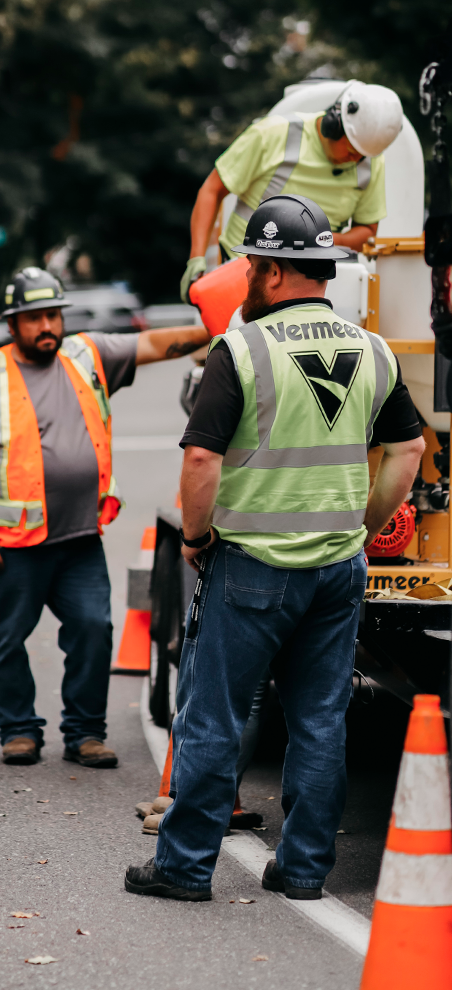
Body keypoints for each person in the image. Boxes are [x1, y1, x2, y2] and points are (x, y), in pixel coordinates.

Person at [125, 194, 424, 901]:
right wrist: (359, 520)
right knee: (320, 720)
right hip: (337, 569)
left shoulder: (244, 348)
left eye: (255, 265)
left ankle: (184, 868)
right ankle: (302, 871)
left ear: (274, 272)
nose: (251, 276)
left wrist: (196, 539)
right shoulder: (373, 349)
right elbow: (407, 451)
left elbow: (200, 463)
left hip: (253, 565)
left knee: (215, 716)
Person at [0, 267, 209, 768]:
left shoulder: (86, 355)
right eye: (35, 318)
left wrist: (221, 325)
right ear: (14, 324)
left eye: (54, 315)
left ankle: (85, 732)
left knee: (94, 628)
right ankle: (18, 729)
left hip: (79, 537)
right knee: (6, 639)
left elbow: (159, 344)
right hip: (15, 543)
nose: (48, 326)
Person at [180, 80, 403, 302]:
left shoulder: (371, 163)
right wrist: (196, 258)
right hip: (248, 269)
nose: (356, 160)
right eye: (351, 149)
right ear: (332, 124)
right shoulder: (272, 135)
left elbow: (367, 230)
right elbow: (212, 189)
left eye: (362, 155)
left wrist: (322, 240)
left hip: (312, 280)